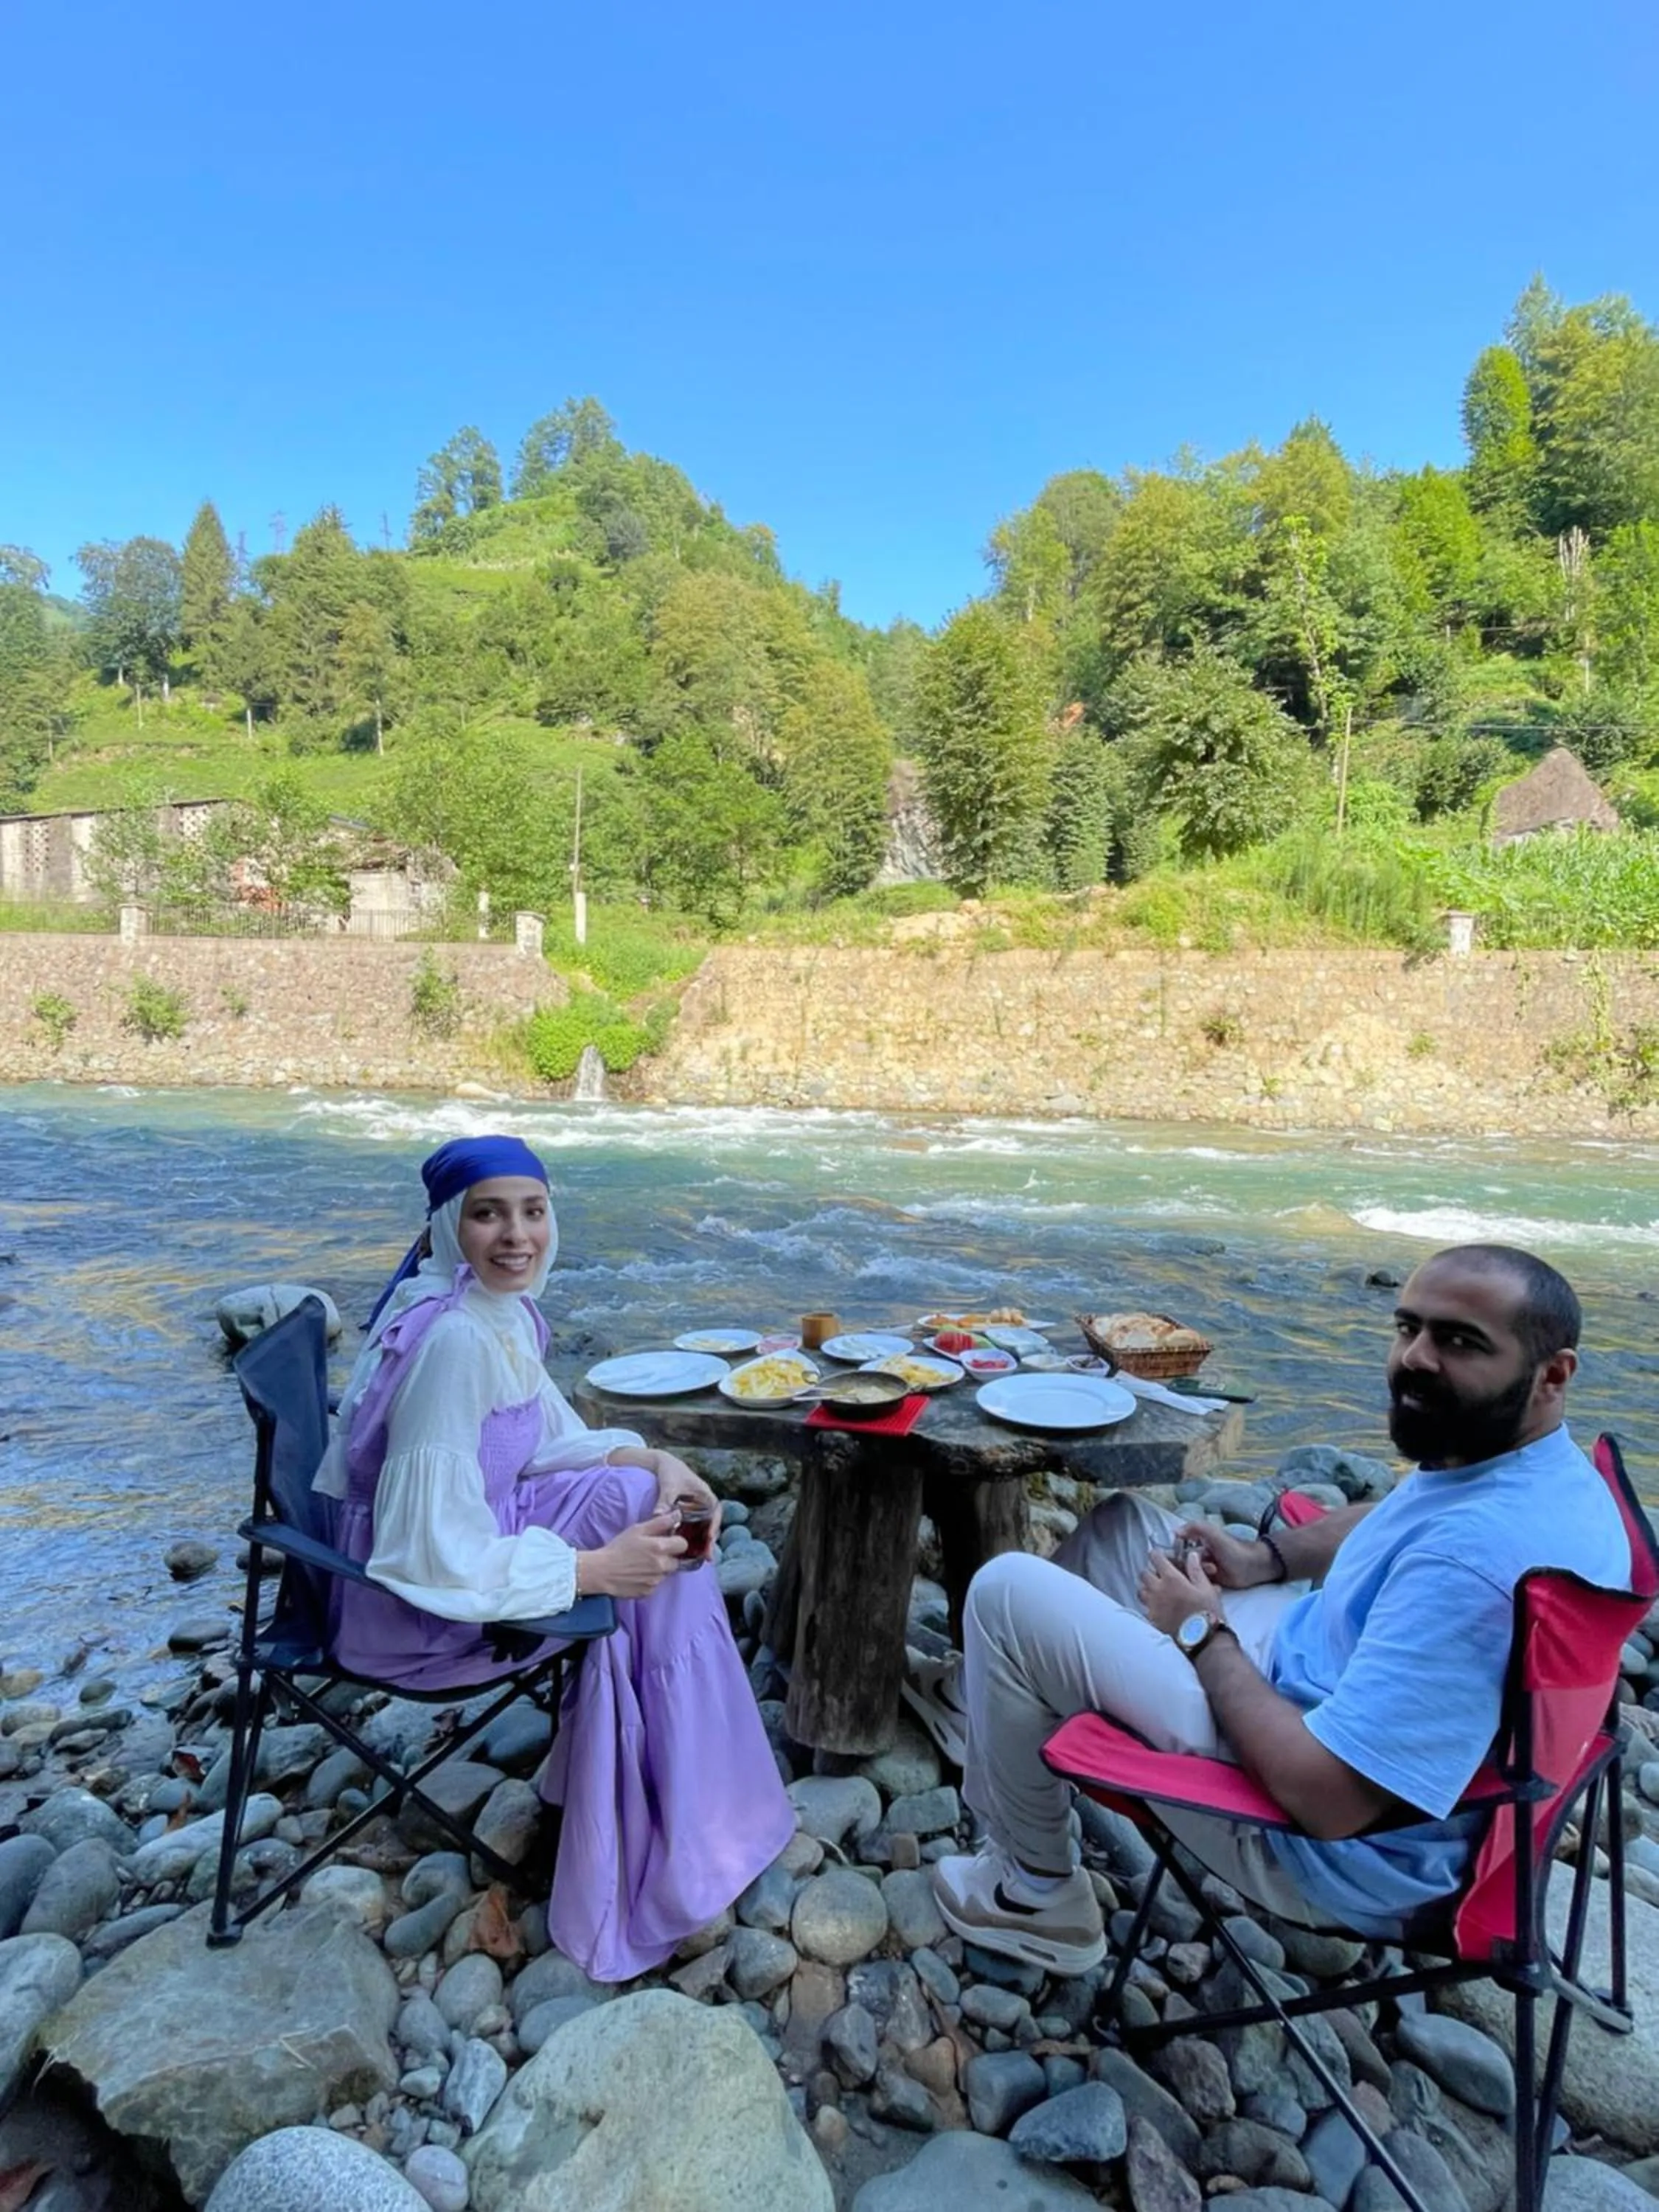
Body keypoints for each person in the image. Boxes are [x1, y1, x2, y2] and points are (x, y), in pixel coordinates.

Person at [911, 1243, 1632, 1975]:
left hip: (1318, 1836)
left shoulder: (1472, 1568)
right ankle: (987, 1709)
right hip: (1307, 1676)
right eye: (1408, 1327)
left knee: (1006, 1592)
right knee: (1124, 1528)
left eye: (1461, 1341)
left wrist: (1201, 1632)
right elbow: (1400, 1516)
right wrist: (1267, 1559)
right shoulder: (1526, 1467)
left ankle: (1033, 1893)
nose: (1416, 1357)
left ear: (1554, 1374)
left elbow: (1330, 1801)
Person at [313, 1133, 794, 1982]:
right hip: (412, 1619)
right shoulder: (453, 1342)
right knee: (645, 1577)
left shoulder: (495, 1313)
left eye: (532, 1212)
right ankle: (680, 1834)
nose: (516, 1236)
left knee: (646, 1507)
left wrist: (656, 1461)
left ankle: (679, 1810)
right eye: (488, 1215)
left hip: (468, 1546)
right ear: (448, 1227)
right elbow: (424, 1549)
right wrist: (591, 1573)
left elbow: (543, 1445)